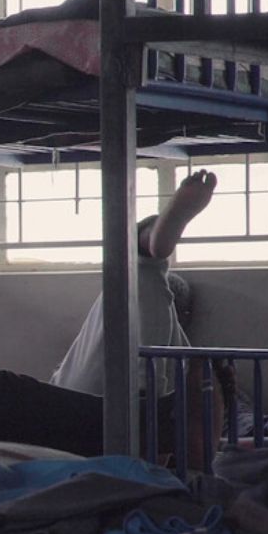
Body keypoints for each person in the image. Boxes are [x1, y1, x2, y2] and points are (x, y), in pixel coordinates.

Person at [50, 170, 218, 397]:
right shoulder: (159, 308)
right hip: (110, 403)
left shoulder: (110, 305)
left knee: (133, 281)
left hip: (69, 388)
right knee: (146, 285)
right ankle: (147, 247)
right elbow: (150, 376)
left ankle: (145, 243)